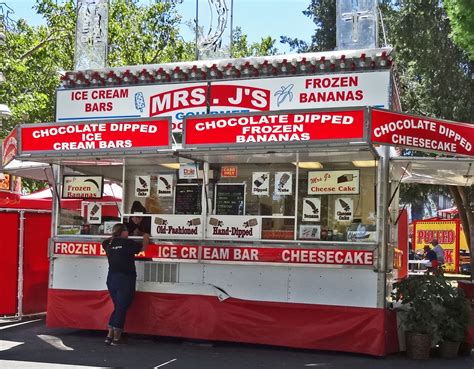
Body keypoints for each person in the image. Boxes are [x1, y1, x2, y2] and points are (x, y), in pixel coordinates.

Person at [102, 223, 150, 346]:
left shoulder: (108, 244)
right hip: (126, 278)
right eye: (127, 231)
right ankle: (116, 337)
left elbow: (105, 241)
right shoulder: (128, 243)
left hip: (111, 278)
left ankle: (109, 335)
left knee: (118, 306)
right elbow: (143, 249)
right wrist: (145, 236)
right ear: (123, 232)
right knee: (122, 307)